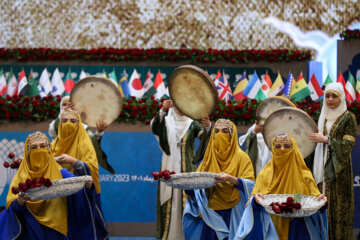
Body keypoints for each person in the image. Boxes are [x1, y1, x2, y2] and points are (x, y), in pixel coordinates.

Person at [0, 131, 102, 239]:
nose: (39, 150)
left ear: (49, 149)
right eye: (34, 147)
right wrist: (19, 201)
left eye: (43, 146)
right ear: (27, 151)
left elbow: (78, 189)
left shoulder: (60, 172)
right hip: (30, 229)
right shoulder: (21, 175)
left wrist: (88, 186)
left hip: (56, 230)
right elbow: (13, 208)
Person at [236, 134, 327, 240]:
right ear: (273, 149)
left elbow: (315, 201)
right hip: (272, 228)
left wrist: (322, 201)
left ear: (293, 149)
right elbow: (251, 202)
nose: (282, 149)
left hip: (298, 229)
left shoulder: (304, 175)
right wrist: (255, 199)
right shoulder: (264, 175)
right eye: (278, 147)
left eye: (287, 146)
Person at [183, 118, 255, 240]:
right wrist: (189, 185)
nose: (220, 135)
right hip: (210, 211)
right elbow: (196, 184)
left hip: (233, 211)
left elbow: (251, 185)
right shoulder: (209, 156)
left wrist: (230, 178)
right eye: (216, 131)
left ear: (232, 136)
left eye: (225, 131)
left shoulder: (242, 157)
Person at [151, 99, 211, 240]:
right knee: (169, 203)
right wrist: (162, 111)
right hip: (168, 170)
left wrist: (208, 127)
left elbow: (205, 139)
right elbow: (155, 128)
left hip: (187, 171)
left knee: (188, 204)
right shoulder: (166, 121)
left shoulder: (192, 123)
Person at [308, 82, 357, 240]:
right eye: (327, 95)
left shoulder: (348, 117)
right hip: (321, 166)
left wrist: (327, 139)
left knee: (338, 209)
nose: (330, 99)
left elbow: (348, 145)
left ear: (341, 97)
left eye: (334, 96)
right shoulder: (322, 116)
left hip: (338, 171)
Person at [50, 109, 108, 239]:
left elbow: (92, 170)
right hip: (59, 198)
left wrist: (74, 162)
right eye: (64, 121)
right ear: (59, 124)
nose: (68, 124)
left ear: (79, 124)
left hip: (81, 196)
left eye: (73, 121)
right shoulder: (53, 145)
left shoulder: (85, 144)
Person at [48, 96, 114, 174]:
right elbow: (59, 127)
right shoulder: (54, 125)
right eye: (65, 104)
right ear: (60, 107)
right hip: (60, 163)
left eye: (71, 105)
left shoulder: (83, 127)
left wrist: (99, 132)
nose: (68, 107)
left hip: (77, 164)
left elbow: (92, 142)